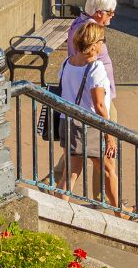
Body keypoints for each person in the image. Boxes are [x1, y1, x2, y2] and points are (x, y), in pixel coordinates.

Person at [50, 21, 119, 206]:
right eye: (102, 40)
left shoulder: (67, 63)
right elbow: (99, 105)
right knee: (108, 170)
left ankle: (57, 209)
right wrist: (110, 136)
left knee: (71, 173)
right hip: (90, 126)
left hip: (68, 122)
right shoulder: (96, 68)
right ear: (94, 44)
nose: (103, 44)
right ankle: (121, 213)